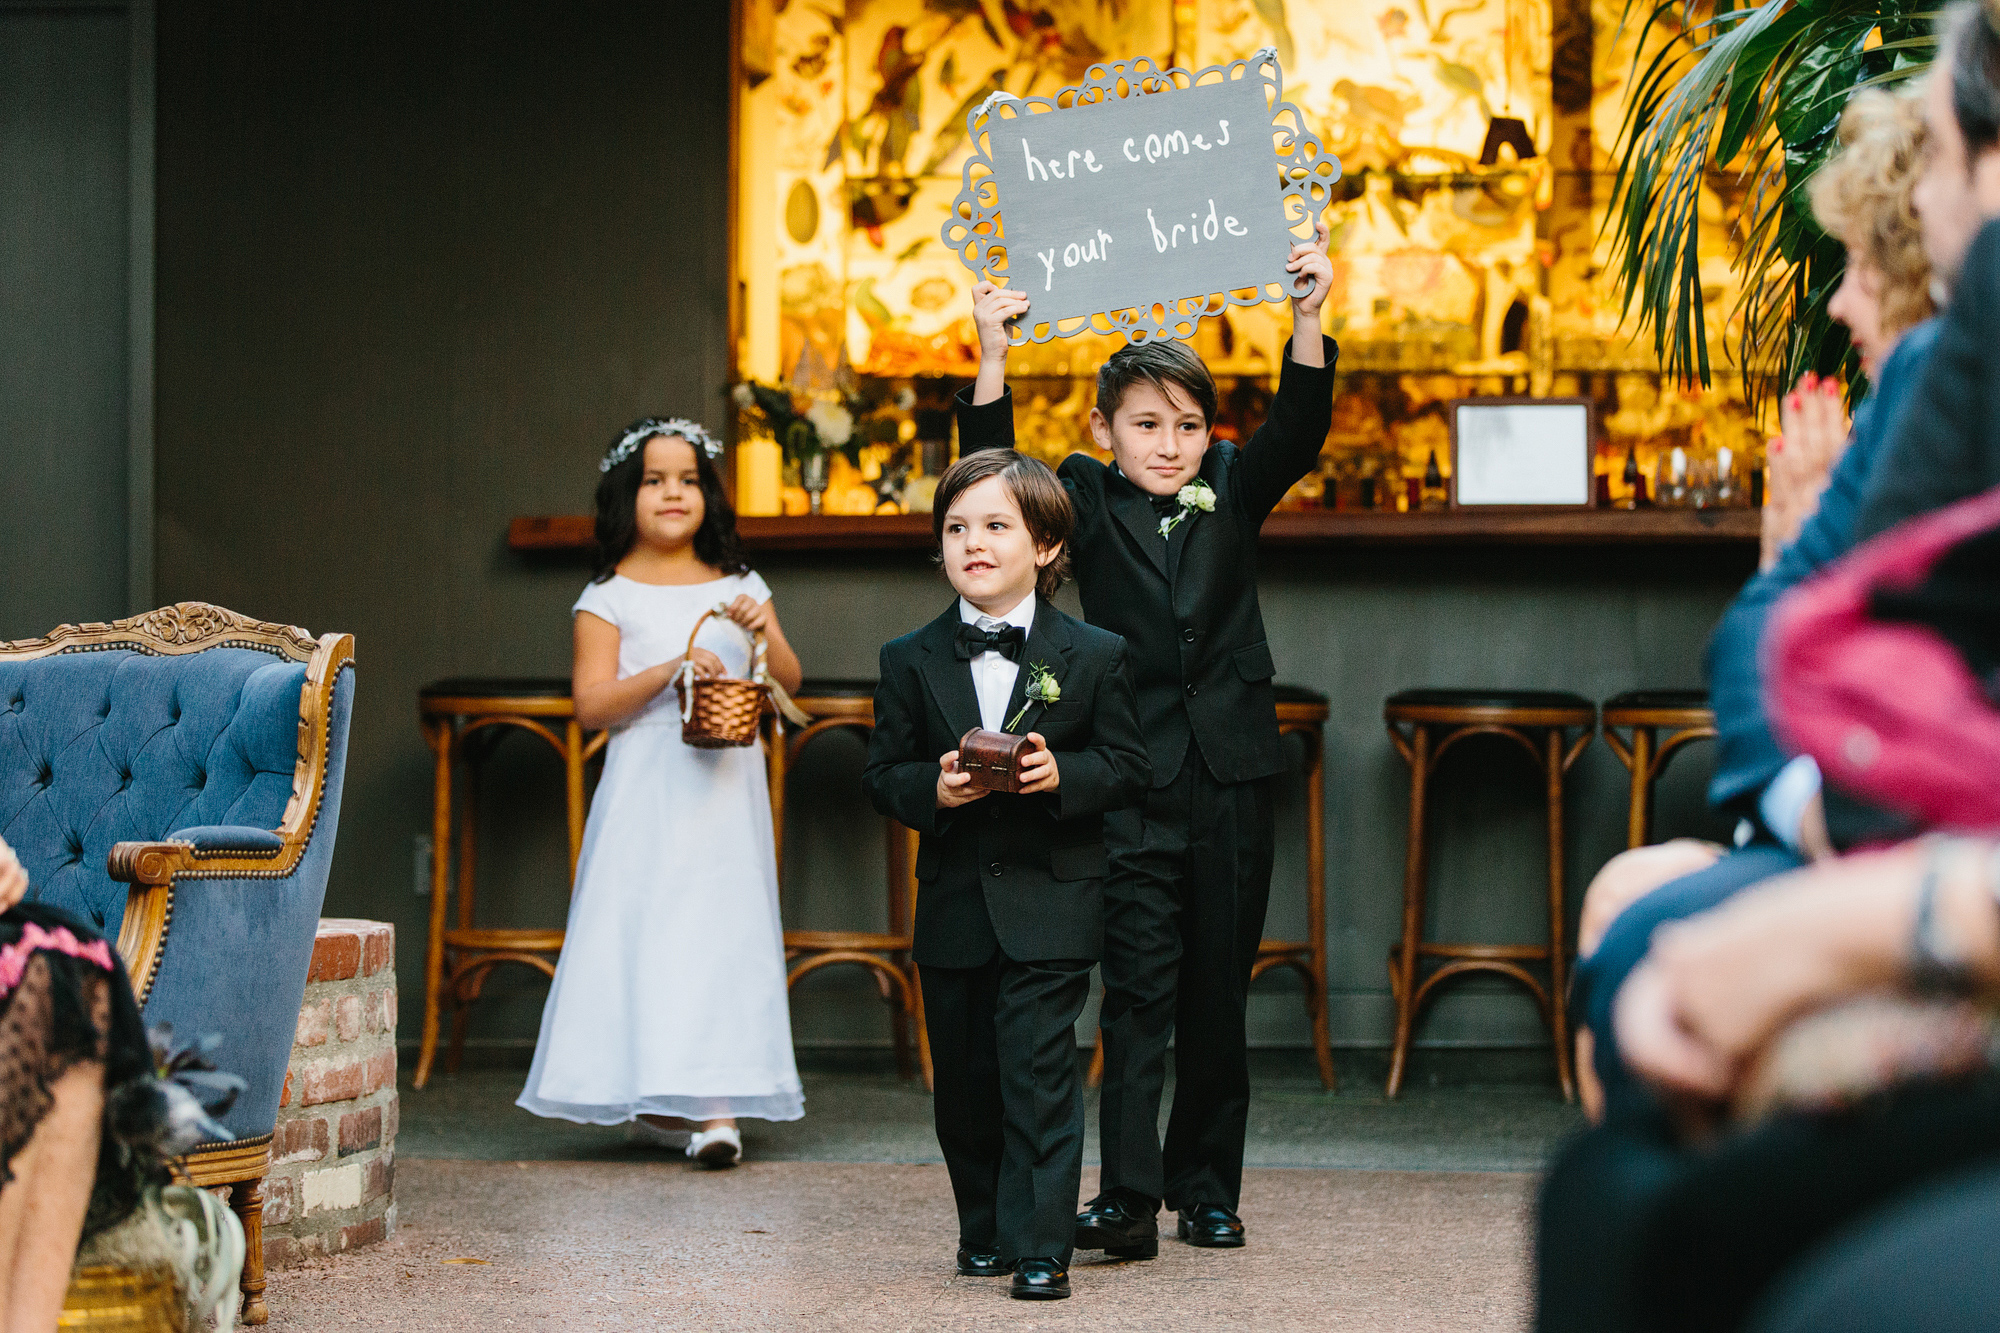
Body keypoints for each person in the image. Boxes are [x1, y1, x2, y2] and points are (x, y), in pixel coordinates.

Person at [954, 220, 1336, 1256]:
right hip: (1125, 781)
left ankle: (1206, 1186)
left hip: (1228, 775)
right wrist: (993, 349)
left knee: (1218, 990)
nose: (1167, 444)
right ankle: (1124, 1196)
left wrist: (1305, 315)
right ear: (1104, 427)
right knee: (1134, 996)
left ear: (1209, 433)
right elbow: (990, 471)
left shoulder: (1230, 489)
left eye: (1185, 425)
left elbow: (1297, 431)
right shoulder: (1077, 496)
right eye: (1144, 424)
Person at [1571, 78, 1945, 1117]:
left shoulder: (1922, 407)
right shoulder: (1890, 415)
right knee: (1624, 899)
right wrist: (1787, 571)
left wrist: (1788, 572)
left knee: (1637, 926)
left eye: (1856, 266)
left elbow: (1773, 638)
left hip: (1879, 820)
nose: (1834, 302)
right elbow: (1761, 637)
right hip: (1835, 801)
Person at [862, 449, 1149, 1301]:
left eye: (996, 526)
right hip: (954, 904)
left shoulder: (1093, 653)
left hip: (1051, 900)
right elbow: (883, 775)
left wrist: (1066, 776)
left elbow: (1129, 764)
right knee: (966, 1083)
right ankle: (981, 1230)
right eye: (956, 527)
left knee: (1038, 1071)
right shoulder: (909, 656)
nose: (973, 543)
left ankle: (1042, 1244)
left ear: (1049, 544)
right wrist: (936, 788)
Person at [517, 418, 805, 1167]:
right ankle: (649, 1090)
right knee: (645, 934)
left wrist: (759, 634)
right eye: (654, 480)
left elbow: (791, 683)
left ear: (708, 492)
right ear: (626, 495)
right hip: (647, 788)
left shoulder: (743, 586)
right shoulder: (607, 595)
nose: (673, 493)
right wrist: (673, 665)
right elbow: (593, 704)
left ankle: (717, 1108)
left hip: (724, 790)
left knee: (720, 933)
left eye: (687, 479)